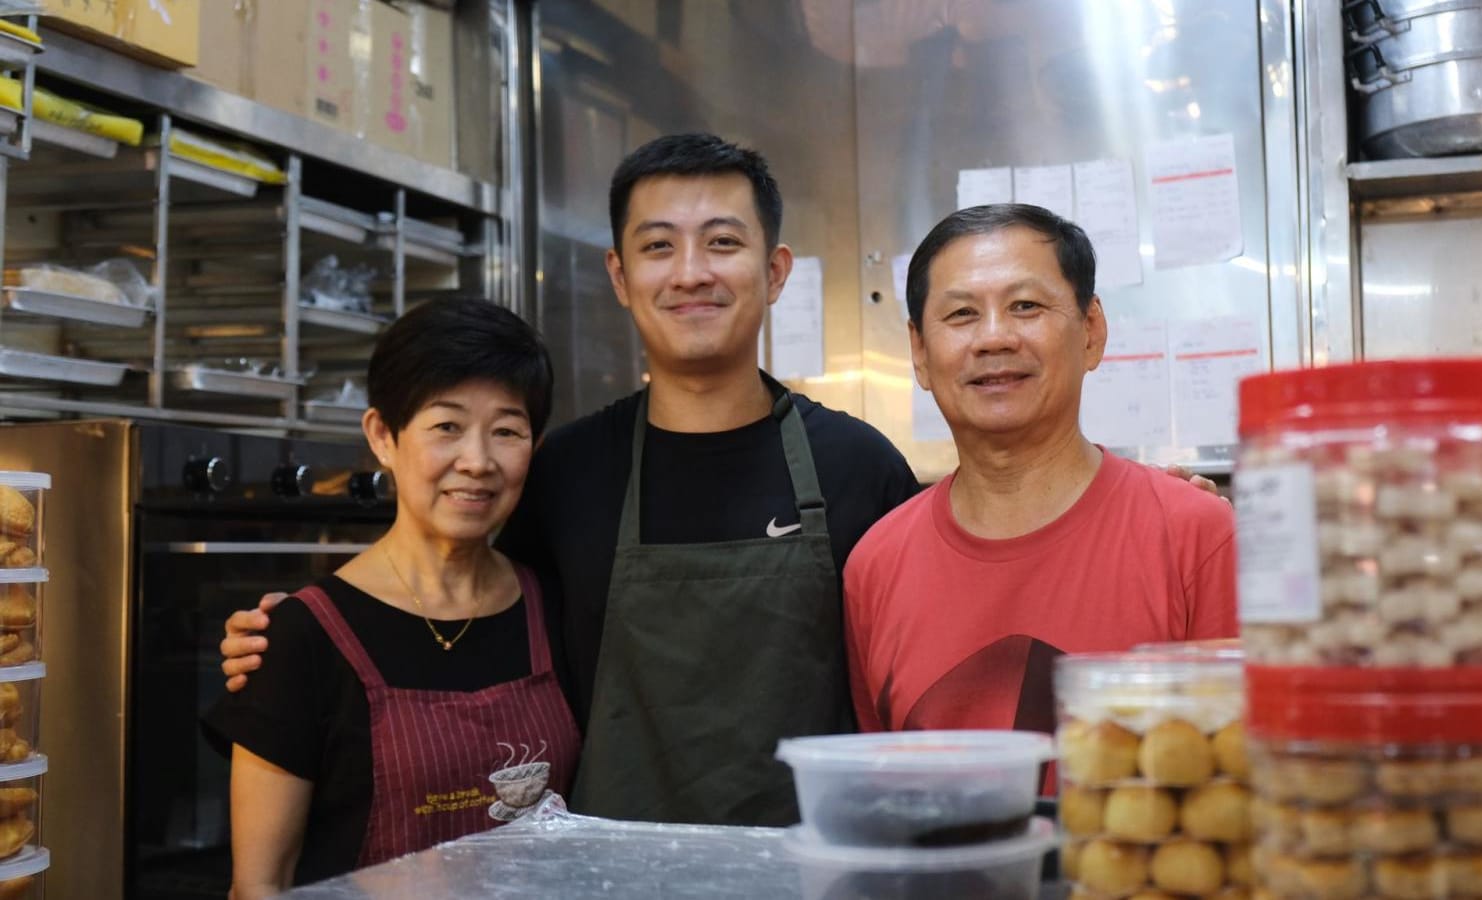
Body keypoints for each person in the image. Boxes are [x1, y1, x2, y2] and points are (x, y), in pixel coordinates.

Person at [222, 134, 924, 827]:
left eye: (721, 242)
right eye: (658, 246)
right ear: (619, 275)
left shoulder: (858, 466)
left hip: (804, 872)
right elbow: (473, 619)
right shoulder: (566, 470)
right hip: (608, 872)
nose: (690, 273)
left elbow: (914, 689)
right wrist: (300, 642)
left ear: (774, 271)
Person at [202, 298, 580, 896]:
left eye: (507, 431)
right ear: (383, 436)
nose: (478, 461)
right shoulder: (300, 638)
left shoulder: (557, 609)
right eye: (447, 426)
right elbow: (259, 886)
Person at [843, 204, 1238, 739]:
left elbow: (1242, 766)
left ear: (1091, 331)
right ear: (919, 351)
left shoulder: (1196, 537)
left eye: (1025, 306)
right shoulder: (875, 566)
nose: (994, 337)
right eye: (961, 314)